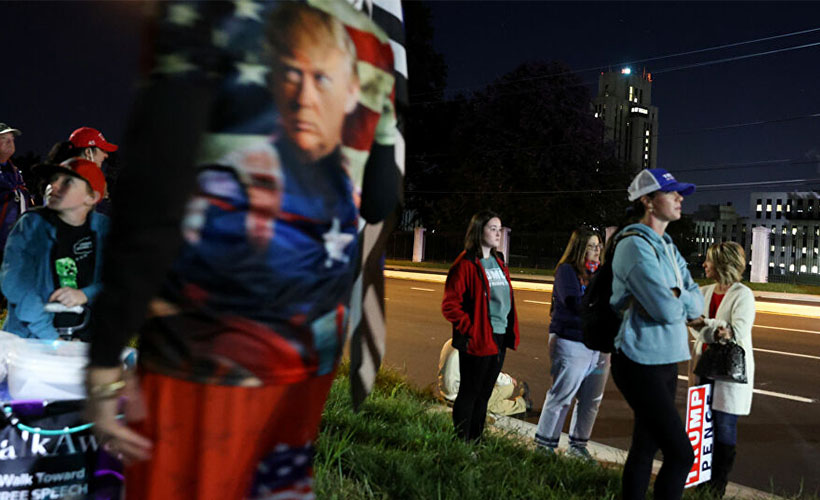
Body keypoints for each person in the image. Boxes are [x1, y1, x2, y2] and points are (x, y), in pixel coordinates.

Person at [84, 2, 398, 499]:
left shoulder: (207, 10)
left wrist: (103, 363)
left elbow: (154, 193)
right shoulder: (371, 43)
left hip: (202, 357)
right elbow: (382, 196)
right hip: (309, 353)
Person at [609, 168, 703, 500]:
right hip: (639, 360)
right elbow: (666, 309)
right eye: (672, 192)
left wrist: (675, 294)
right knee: (681, 453)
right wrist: (678, 298)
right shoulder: (634, 245)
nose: (680, 198)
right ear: (648, 201)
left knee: (645, 445)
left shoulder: (666, 245)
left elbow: (695, 300)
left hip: (666, 358)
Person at [0, 158, 108, 340]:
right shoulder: (30, 225)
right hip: (32, 342)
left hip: (88, 342)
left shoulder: (105, 229)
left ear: (92, 197)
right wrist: (52, 340)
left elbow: (123, 280)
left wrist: (84, 294)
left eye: (67, 182)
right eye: (54, 179)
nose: (53, 186)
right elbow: (17, 284)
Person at [442, 211, 520, 442]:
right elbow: (450, 306)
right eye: (492, 228)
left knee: (485, 394)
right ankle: (461, 442)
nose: (498, 233)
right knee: (470, 392)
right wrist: (472, 329)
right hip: (478, 338)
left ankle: (476, 439)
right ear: (479, 231)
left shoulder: (498, 261)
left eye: (500, 228)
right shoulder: (465, 264)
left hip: (498, 337)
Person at [534, 227, 610, 460]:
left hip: (600, 345)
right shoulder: (567, 271)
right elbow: (573, 301)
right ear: (579, 248)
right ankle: (544, 445)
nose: (597, 250)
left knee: (591, 399)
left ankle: (578, 445)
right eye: (591, 246)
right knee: (562, 395)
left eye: (599, 246)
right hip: (571, 341)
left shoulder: (602, 273)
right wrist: (603, 306)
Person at [687, 241, 755, 498]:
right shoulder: (703, 291)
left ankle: (717, 486)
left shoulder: (743, 295)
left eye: (709, 260)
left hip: (729, 372)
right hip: (704, 366)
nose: (704, 264)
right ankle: (700, 483)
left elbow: (736, 332)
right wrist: (713, 327)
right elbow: (697, 327)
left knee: (724, 425)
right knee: (701, 428)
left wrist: (707, 324)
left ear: (723, 264)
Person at [438, 338, 532, 417]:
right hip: (461, 397)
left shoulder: (450, 342)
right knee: (508, 387)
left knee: (489, 399)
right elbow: (489, 373)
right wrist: (509, 380)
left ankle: (521, 405)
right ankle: (522, 404)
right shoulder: (473, 348)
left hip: (445, 393)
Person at [0, 123, 33, 269]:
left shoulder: (15, 172)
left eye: (12, 138)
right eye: (4, 138)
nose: (10, 142)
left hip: (17, 244)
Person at [47, 126, 118, 167]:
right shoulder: (82, 180)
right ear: (88, 152)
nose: (106, 155)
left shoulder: (60, 176)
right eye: (102, 149)